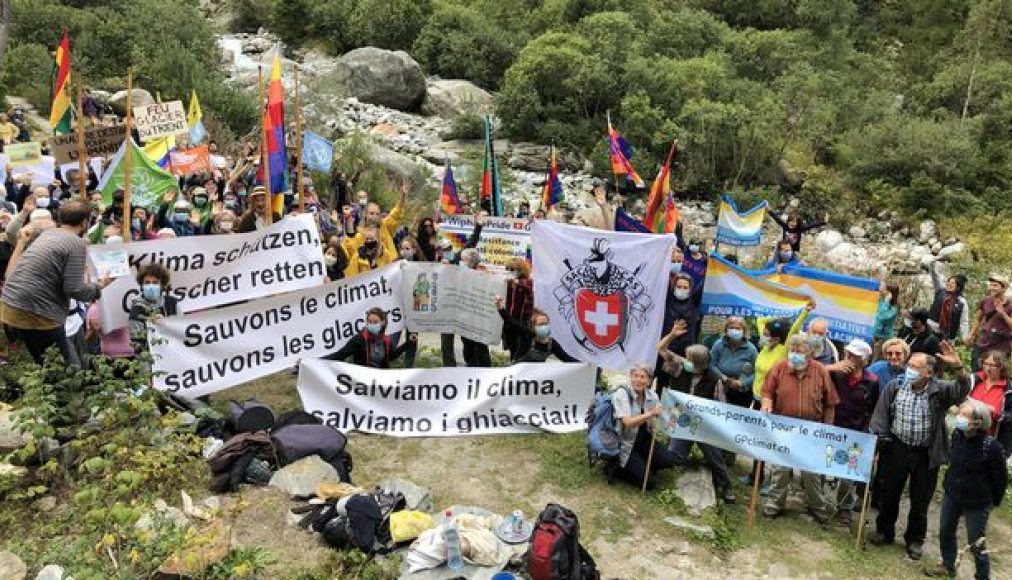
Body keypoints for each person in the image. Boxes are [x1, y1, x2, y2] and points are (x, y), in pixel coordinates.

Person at [867, 343, 970, 561]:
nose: (909, 369)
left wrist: (959, 368)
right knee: (889, 492)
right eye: (909, 365)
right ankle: (884, 531)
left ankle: (914, 540)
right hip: (897, 447)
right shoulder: (895, 386)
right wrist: (879, 439)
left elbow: (962, 391)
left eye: (915, 366)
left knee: (920, 498)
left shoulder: (939, 390)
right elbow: (881, 415)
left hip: (925, 453)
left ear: (928, 372)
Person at [0, 201, 111, 363]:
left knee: (44, 363)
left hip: (10, 307)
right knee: (68, 370)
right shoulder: (75, 243)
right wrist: (99, 286)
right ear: (85, 223)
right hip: (38, 312)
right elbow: (75, 289)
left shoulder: (47, 234)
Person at [924, 399, 1007, 580]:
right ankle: (947, 564)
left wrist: (994, 502)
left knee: (976, 543)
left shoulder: (991, 447)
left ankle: (982, 576)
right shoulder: (957, 436)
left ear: (978, 422)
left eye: (964, 415)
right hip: (953, 493)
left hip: (977, 502)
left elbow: (1000, 479)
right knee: (946, 530)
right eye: (960, 414)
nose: (959, 418)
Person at [760, 333, 839, 522]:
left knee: (811, 471)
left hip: (812, 429)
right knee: (780, 468)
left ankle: (817, 506)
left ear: (811, 354)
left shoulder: (820, 370)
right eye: (792, 350)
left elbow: (830, 402)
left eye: (800, 351)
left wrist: (827, 429)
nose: (795, 354)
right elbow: (767, 391)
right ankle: (774, 504)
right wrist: (766, 402)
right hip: (783, 427)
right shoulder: (780, 367)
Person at [659, 342, 735, 502]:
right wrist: (673, 335)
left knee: (715, 457)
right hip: (682, 422)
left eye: (688, 359)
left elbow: (721, 407)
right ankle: (684, 462)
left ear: (699, 364)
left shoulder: (715, 379)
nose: (684, 361)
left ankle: (726, 485)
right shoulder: (680, 368)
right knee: (675, 456)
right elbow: (661, 349)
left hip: (704, 427)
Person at [825, 339, 878, 525]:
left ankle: (844, 508)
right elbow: (814, 373)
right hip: (831, 427)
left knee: (849, 472)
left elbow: (873, 408)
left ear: (864, 360)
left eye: (854, 355)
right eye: (848, 354)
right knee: (824, 464)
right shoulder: (836, 373)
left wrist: (868, 431)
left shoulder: (871, 380)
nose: (849, 357)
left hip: (856, 431)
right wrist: (832, 368)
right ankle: (817, 502)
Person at [612, 364, 679, 489]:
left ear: (649, 380)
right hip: (625, 442)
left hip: (644, 439)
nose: (638, 380)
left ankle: (641, 464)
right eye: (635, 376)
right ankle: (618, 469)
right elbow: (628, 422)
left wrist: (669, 411)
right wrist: (650, 414)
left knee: (669, 460)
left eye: (642, 377)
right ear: (631, 377)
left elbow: (660, 416)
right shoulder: (622, 394)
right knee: (648, 484)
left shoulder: (652, 395)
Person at [752, 301, 814, 403]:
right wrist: (783, 316)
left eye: (766, 335)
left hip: (771, 399)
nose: (763, 337)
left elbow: (794, 329)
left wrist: (805, 312)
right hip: (755, 396)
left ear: (776, 339)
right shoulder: (766, 346)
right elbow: (760, 320)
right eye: (763, 334)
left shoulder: (783, 350)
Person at [323, 307, 415, 368]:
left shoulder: (385, 340)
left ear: (383, 322)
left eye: (375, 322)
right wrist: (317, 362)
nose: (372, 324)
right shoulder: (358, 340)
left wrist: (409, 342)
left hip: (381, 380)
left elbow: (391, 356)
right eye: (370, 322)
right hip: (363, 381)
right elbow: (340, 355)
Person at [495, 298, 575, 363]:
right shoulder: (527, 335)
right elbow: (511, 321)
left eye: (546, 324)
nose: (544, 326)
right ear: (533, 327)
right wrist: (499, 307)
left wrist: (585, 364)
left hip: (534, 377)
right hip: (518, 375)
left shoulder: (551, 344)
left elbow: (567, 359)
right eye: (540, 324)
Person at [128, 263, 179, 352]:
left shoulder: (172, 303)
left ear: (162, 285)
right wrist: (151, 327)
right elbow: (137, 344)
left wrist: (166, 324)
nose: (151, 286)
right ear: (141, 285)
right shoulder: (136, 310)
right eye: (147, 283)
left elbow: (182, 330)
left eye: (155, 282)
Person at [969, 350, 1011, 457]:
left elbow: (1010, 416)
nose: (987, 368)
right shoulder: (975, 380)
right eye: (985, 364)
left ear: (1001, 367)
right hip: (968, 434)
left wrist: (996, 413)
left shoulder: (1007, 390)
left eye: (992, 365)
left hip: (990, 440)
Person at [966, 273, 1012, 371]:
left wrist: (1003, 313)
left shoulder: (1010, 305)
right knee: (976, 369)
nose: (992, 288)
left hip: (1000, 345)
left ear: (1003, 289)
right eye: (991, 285)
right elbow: (978, 319)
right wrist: (971, 335)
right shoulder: (986, 301)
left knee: (994, 372)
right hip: (983, 341)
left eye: (995, 285)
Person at [709, 317, 758, 408]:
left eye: (738, 328)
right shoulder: (719, 344)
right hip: (720, 386)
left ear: (744, 331)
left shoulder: (751, 349)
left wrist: (743, 382)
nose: (734, 330)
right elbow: (711, 364)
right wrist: (725, 379)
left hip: (742, 391)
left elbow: (757, 372)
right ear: (726, 330)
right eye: (731, 328)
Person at [501, 258, 535, 362]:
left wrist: (517, 282)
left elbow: (530, 287)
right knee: (512, 349)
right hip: (508, 322)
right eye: (507, 268)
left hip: (522, 322)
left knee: (522, 350)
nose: (509, 271)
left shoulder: (527, 282)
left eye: (512, 269)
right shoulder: (506, 282)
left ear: (521, 270)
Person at [928, 268, 968, 344]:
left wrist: (964, 338)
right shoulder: (940, 291)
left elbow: (964, 321)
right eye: (948, 282)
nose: (949, 284)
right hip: (931, 329)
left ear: (958, 287)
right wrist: (933, 262)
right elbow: (935, 276)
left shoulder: (962, 302)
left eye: (952, 283)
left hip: (948, 336)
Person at [874, 282, 900, 346]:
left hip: (884, 338)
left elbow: (883, 316)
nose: (882, 290)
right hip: (875, 334)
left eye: (885, 289)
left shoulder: (894, 307)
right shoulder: (881, 301)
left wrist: (886, 301)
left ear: (890, 293)